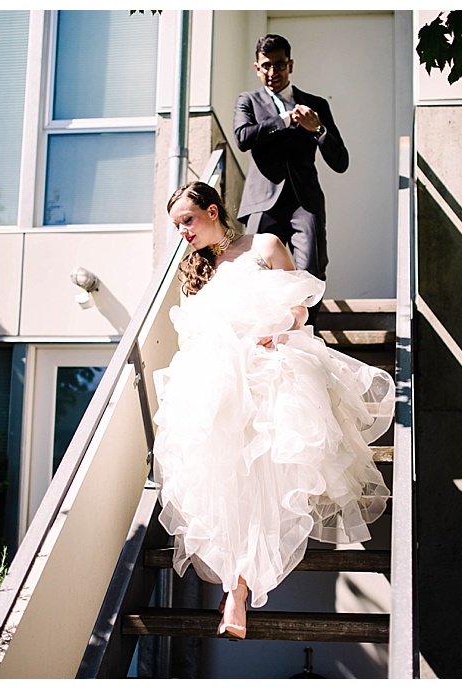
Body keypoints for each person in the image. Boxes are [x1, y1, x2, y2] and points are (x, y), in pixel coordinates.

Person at [151, 181, 392, 640]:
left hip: (270, 370)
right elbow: (195, 335)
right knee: (223, 482)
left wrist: (281, 327)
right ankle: (235, 586)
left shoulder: (264, 245)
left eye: (188, 220)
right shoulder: (193, 269)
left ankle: (238, 590)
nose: (183, 232)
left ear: (213, 210)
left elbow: (301, 309)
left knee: (263, 477)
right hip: (219, 384)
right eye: (177, 225)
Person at [234, 34, 349, 326]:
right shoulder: (248, 101)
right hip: (263, 200)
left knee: (312, 268)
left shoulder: (316, 104)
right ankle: (262, 333)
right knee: (254, 270)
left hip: (304, 201)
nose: (273, 73)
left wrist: (318, 128)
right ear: (257, 68)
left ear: (291, 65)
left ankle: (306, 333)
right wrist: (285, 120)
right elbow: (243, 138)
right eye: (266, 66)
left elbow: (340, 161)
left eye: (280, 65)